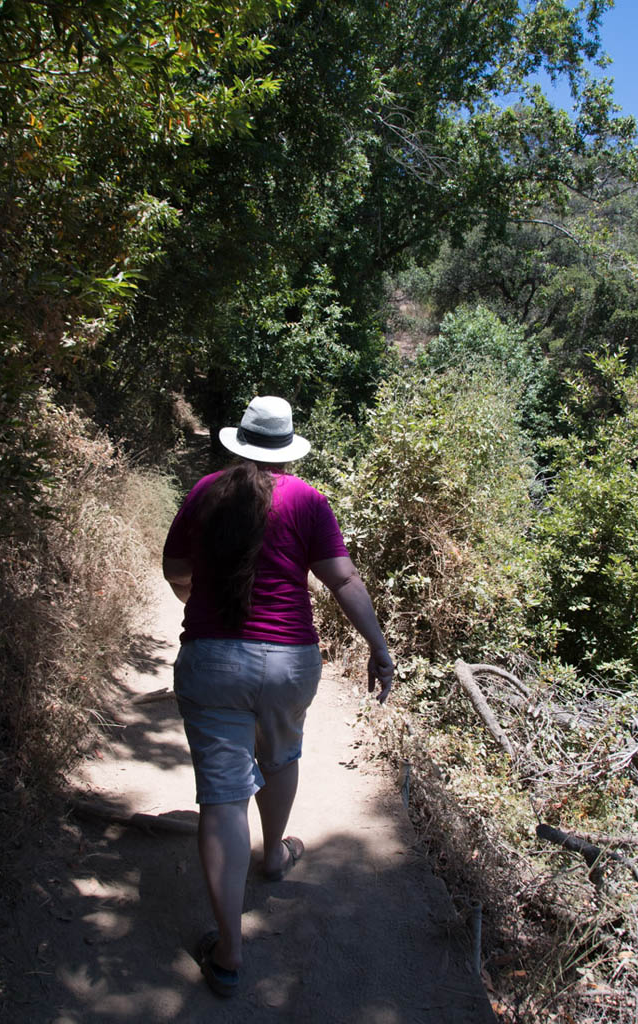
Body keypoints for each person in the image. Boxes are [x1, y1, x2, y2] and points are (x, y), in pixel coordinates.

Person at [162, 395, 394, 998]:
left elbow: (174, 568)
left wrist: (193, 595)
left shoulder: (206, 491)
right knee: (281, 756)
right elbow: (341, 577)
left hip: (212, 658)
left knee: (221, 798)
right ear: (288, 447)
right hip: (289, 660)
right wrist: (378, 645)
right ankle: (272, 858)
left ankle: (230, 953)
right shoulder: (308, 500)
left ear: (239, 440)